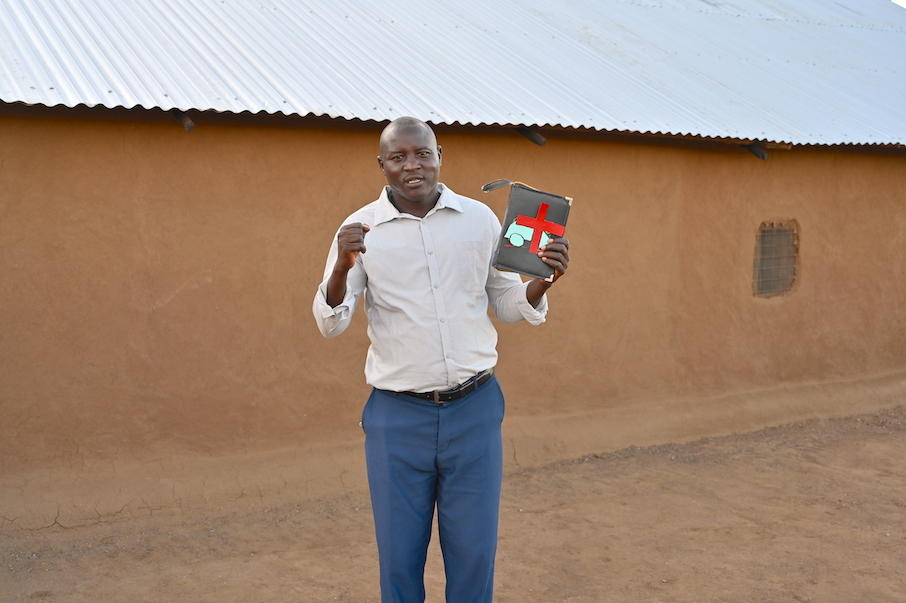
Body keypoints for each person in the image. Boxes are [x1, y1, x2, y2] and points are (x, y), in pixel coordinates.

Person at [312, 116, 570, 603]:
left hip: (474, 410)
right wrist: (343, 269)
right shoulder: (359, 231)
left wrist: (543, 281)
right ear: (382, 165)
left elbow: (509, 303)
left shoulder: (480, 220)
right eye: (398, 157)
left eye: (422, 153)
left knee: (474, 554)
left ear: (439, 156)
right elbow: (332, 320)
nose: (412, 165)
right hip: (397, 417)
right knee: (399, 558)